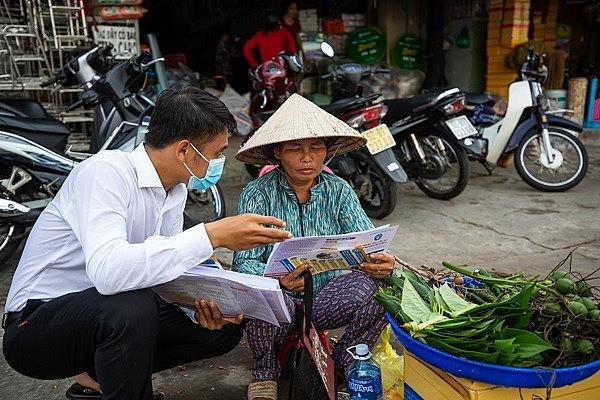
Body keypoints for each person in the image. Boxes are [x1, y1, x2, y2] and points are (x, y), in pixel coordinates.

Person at [2, 86, 292, 400]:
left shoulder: (175, 191)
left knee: (223, 326)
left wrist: (214, 301)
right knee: (131, 305)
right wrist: (212, 235)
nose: (220, 160)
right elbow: (109, 272)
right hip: (34, 327)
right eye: (218, 152)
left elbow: (162, 272)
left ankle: (104, 378)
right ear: (185, 151)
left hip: (101, 314)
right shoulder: (105, 173)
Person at [233, 93, 396, 400]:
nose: (307, 158)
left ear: (327, 151)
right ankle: (266, 370)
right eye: (295, 149)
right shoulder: (257, 194)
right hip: (279, 303)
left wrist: (381, 261)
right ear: (278, 152)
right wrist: (277, 281)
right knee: (256, 293)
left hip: (324, 300)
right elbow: (244, 262)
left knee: (379, 290)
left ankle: (345, 363)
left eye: (316, 147)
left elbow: (367, 240)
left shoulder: (339, 191)